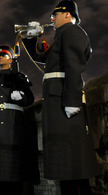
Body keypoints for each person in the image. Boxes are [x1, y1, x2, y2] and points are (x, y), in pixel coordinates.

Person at [22, 0, 100, 194]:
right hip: (57, 96)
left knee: (70, 158)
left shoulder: (73, 32)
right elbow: (43, 58)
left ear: (67, 14)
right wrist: (32, 39)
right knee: (67, 162)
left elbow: (74, 66)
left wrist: (72, 100)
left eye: (54, 15)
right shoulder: (61, 36)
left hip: (63, 97)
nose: (51, 19)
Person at [0, 45, 39, 194]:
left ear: (11, 59)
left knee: (15, 167)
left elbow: (30, 99)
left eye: (4, 55)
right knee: (2, 169)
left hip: (15, 123)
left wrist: (21, 97)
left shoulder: (19, 77)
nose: (0, 58)